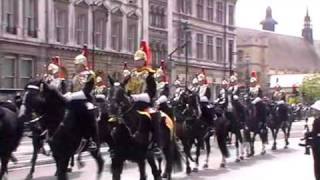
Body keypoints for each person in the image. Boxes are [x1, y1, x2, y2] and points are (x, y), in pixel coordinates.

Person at [126, 40, 161, 155]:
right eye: (135, 60)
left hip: (145, 104)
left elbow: (151, 93)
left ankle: (156, 143)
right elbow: (126, 87)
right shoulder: (132, 73)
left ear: (144, 61)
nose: (136, 63)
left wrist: (136, 97)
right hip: (132, 103)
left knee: (155, 116)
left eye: (139, 60)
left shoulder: (149, 74)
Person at [67, 51, 97, 151]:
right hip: (74, 101)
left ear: (83, 65)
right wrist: (67, 95)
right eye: (75, 65)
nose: (75, 67)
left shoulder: (89, 75)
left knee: (89, 113)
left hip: (86, 100)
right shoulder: (75, 76)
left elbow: (86, 92)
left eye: (77, 65)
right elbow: (71, 89)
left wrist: (71, 96)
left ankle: (90, 139)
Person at [308, 101, 320, 180]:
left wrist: (307, 134)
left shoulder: (317, 121)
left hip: (318, 142)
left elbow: (314, 133)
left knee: (317, 161)